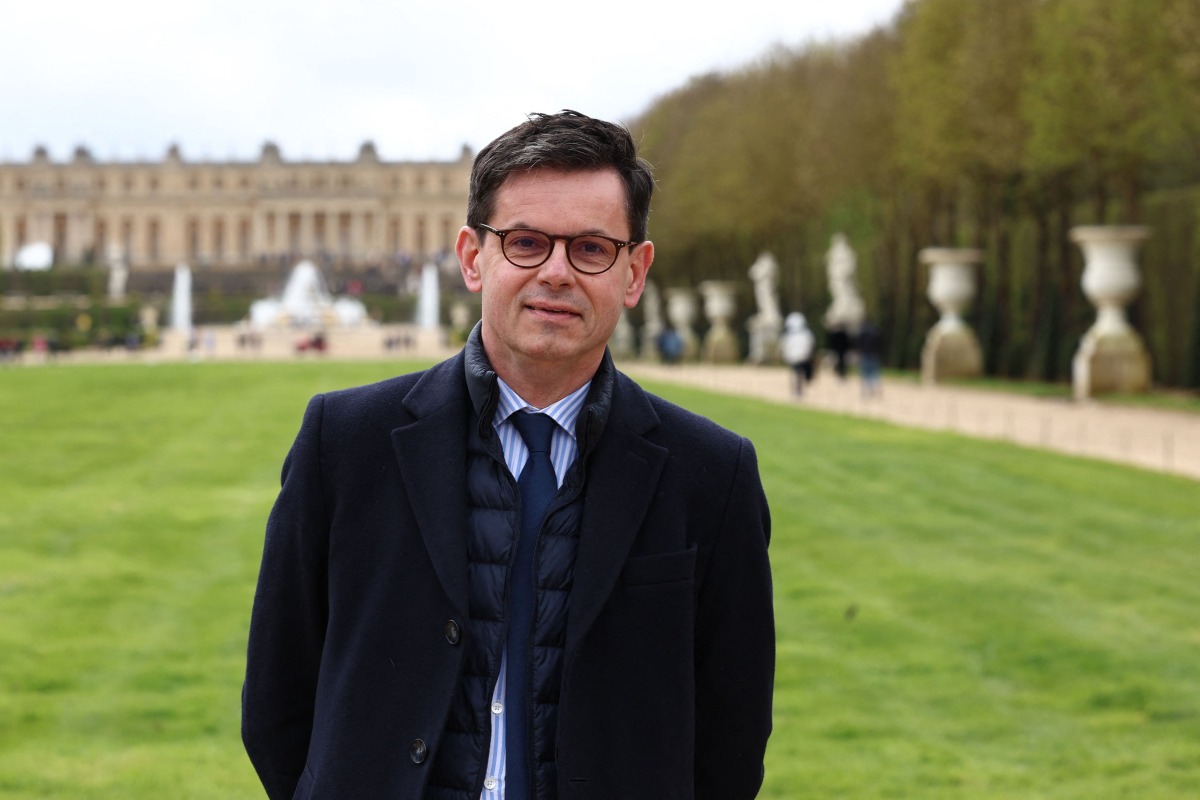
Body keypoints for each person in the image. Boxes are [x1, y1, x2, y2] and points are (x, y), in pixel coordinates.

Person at [242, 110, 775, 800]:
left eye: (591, 248)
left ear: (634, 272)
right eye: (525, 243)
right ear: (472, 257)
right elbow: (277, 704)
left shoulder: (712, 474)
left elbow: (731, 740)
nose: (556, 272)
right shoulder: (343, 444)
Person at [780, 312, 816, 397]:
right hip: (802, 357)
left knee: (796, 372)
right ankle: (798, 388)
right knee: (799, 373)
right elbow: (810, 345)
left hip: (795, 358)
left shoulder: (788, 336)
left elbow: (783, 347)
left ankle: (797, 388)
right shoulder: (806, 334)